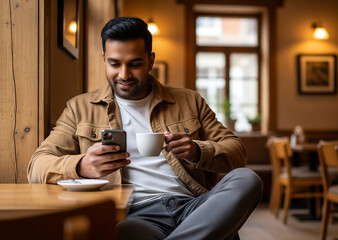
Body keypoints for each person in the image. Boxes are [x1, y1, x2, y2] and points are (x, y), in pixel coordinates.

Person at [28, 17, 262, 240]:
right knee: (125, 232)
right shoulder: (80, 108)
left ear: (150, 60)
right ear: (104, 59)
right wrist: (82, 166)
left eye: (135, 64)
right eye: (114, 64)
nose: (124, 74)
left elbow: (237, 153)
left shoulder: (190, 101)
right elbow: (37, 166)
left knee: (248, 179)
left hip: (195, 207)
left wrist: (197, 151)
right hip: (136, 214)